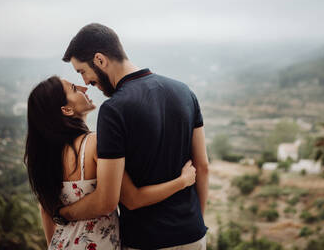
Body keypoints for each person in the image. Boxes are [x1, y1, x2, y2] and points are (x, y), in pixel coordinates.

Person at [59, 23, 209, 249]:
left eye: (82, 71)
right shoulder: (185, 92)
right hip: (194, 236)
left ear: (100, 60)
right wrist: (196, 222)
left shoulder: (113, 110)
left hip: (146, 240)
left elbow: (127, 199)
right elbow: (203, 166)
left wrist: (63, 213)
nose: (86, 82)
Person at [24, 76, 197, 249]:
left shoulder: (46, 157)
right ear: (67, 110)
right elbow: (133, 198)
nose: (84, 88)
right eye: (74, 89)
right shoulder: (95, 144)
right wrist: (182, 181)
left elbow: (46, 208)